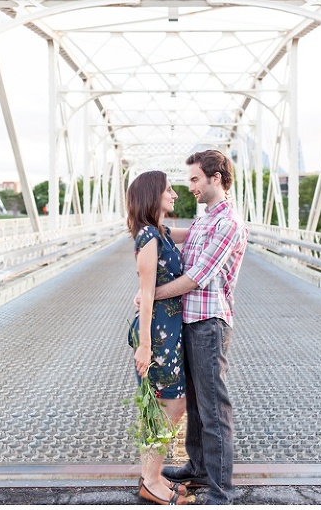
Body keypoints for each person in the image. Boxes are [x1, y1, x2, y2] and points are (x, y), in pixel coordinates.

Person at [152, 150, 248, 505]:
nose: (188, 185)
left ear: (216, 178)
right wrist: (145, 225)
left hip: (209, 323)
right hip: (190, 321)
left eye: (194, 179)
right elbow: (177, 236)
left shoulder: (228, 224)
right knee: (194, 402)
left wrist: (153, 294)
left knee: (213, 407)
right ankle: (198, 467)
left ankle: (222, 491)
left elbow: (197, 277)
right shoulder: (206, 219)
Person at [126, 170, 188, 506]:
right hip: (157, 333)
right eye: (168, 189)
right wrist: (146, 347)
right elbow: (147, 294)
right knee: (168, 406)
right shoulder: (148, 236)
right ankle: (150, 480)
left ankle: (154, 474)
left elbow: (194, 233)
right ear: (153, 194)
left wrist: (226, 218)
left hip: (167, 330)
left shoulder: (160, 232)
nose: (175, 194)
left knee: (168, 405)